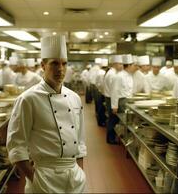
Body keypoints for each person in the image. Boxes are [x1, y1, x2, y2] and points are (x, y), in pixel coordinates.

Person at [7, 35, 87, 193]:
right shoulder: (28, 99)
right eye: (54, 63)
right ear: (43, 65)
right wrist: (34, 178)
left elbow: (80, 141)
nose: (61, 69)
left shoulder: (74, 98)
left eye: (64, 63)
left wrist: (80, 171)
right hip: (44, 177)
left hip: (75, 177)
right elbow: (16, 145)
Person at [103, 55, 123, 144]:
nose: (122, 66)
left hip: (109, 97)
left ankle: (110, 138)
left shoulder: (111, 72)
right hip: (110, 98)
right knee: (112, 119)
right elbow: (114, 90)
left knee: (112, 119)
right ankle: (110, 139)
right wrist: (115, 105)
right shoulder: (112, 74)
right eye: (120, 64)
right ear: (115, 64)